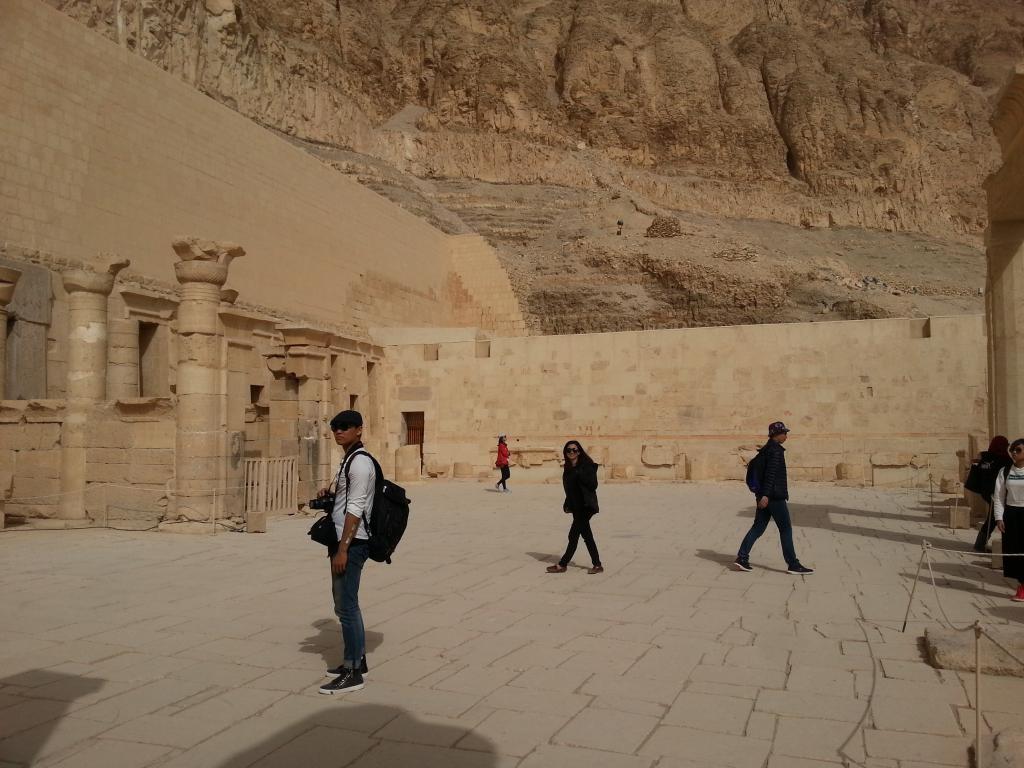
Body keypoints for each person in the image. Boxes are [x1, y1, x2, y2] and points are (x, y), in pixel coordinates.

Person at [319, 409, 375, 694]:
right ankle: (357, 660)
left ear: (358, 430)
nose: (339, 431)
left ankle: (353, 673)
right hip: (344, 540)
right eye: (335, 427)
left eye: (345, 426)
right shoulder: (349, 459)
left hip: (351, 544)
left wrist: (343, 549)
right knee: (346, 605)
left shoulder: (360, 464)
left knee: (346, 606)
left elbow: (355, 508)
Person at [732, 421, 814, 575]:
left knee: (758, 528)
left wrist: (761, 495)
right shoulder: (775, 451)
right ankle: (793, 564)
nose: (786, 435)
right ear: (777, 434)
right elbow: (771, 475)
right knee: (785, 529)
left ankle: (742, 558)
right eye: (784, 433)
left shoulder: (765, 450)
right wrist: (766, 495)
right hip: (774, 497)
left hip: (764, 496)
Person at [546, 440, 603, 574]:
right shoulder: (568, 468)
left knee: (573, 535)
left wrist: (580, 473)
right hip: (576, 507)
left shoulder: (587, 466)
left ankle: (562, 564)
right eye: (569, 450)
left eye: (574, 450)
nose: (572, 452)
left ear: (579, 451)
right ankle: (597, 565)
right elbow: (570, 489)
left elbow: (593, 485)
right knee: (587, 536)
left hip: (586, 506)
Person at [992, 437, 1024, 602]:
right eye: (1012, 450)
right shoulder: (1005, 471)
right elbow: (999, 496)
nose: (1014, 453)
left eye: (1018, 450)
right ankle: (1021, 584)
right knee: (1015, 552)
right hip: (1012, 513)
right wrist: (999, 517)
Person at [968, 435, 1011, 552]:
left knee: (993, 517)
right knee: (997, 518)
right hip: (998, 493)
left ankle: (981, 543)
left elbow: (980, 468)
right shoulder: (1005, 460)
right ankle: (997, 546)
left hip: (986, 492)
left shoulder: (985, 456)